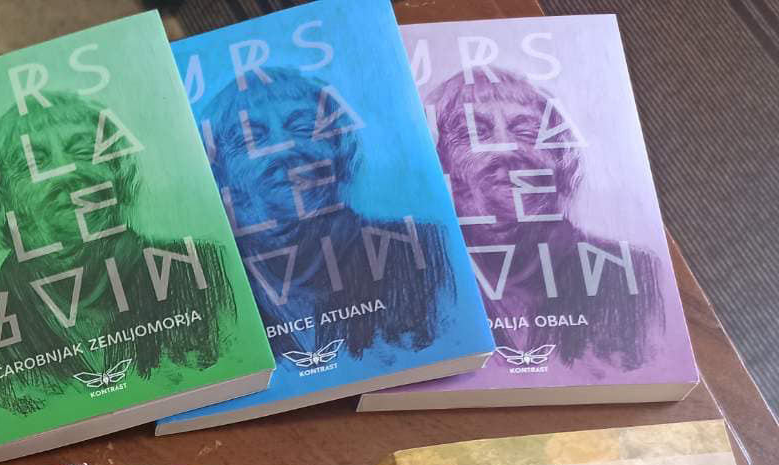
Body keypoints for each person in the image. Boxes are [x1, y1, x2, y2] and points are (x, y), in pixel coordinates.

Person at [0, 94, 238, 420]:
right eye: (32, 164)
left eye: (83, 151)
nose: (65, 173)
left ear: (119, 175)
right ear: (2, 204)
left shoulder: (202, 268)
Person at [198, 68, 451, 365]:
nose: (283, 149)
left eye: (303, 128)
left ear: (339, 145)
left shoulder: (423, 250)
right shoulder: (208, 286)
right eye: (251, 139)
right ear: (222, 170)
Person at [430, 67, 666, 372]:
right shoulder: (420, 281)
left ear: (559, 157)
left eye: (527, 132)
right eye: (474, 133)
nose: (506, 148)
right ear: (441, 159)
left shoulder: (633, 274)